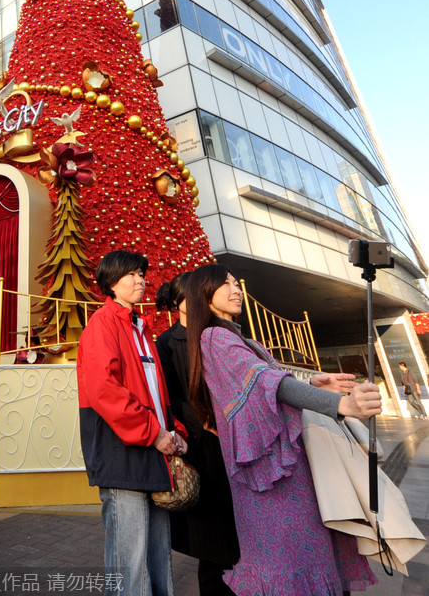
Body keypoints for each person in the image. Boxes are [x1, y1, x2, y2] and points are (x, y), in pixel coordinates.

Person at [186, 264, 382, 596]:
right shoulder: (214, 337)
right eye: (225, 284)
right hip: (267, 474)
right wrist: (341, 404)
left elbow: (273, 386)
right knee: (288, 558)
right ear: (204, 294)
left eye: (236, 284)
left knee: (301, 553)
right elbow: (268, 383)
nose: (236, 290)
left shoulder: (240, 339)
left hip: (280, 467)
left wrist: (313, 384)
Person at [77, 250, 188, 596]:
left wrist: (176, 433)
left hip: (153, 448)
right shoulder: (102, 324)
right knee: (130, 560)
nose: (141, 280)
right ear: (111, 283)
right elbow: (103, 389)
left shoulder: (141, 328)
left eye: (141, 274)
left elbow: (158, 392)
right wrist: (154, 433)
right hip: (121, 453)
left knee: (157, 554)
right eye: (132, 275)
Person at [156, 273, 239, 596]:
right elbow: (169, 394)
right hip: (201, 444)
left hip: (231, 438)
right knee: (213, 539)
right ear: (179, 302)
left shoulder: (214, 334)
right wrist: (201, 420)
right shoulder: (166, 342)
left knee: (237, 530)